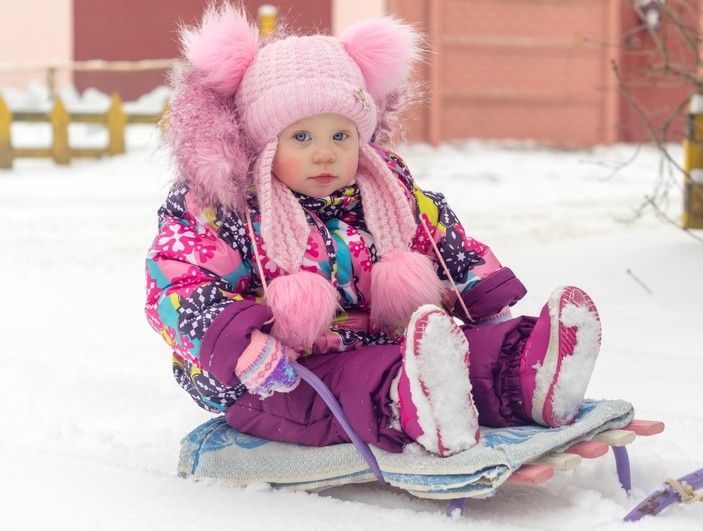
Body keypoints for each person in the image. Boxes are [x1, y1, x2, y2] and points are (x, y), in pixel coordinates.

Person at [145, 3, 602, 457]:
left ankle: (529, 370)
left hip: (400, 346)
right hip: (277, 380)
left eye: (340, 136)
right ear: (263, 143)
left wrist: (485, 303)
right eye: (302, 137)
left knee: (465, 350)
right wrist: (242, 348)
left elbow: (445, 244)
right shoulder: (222, 210)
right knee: (373, 377)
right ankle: (418, 404)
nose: (324, 154)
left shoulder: (385, 192)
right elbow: (179, 286)